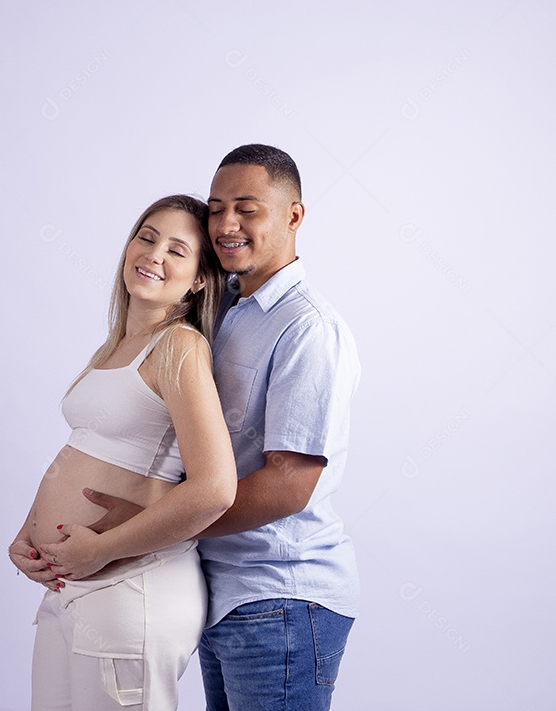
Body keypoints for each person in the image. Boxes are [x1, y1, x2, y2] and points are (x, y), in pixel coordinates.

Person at [82, 144, 362, 711]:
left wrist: (147, 526)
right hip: (220, 587)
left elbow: (289, 483)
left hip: (282, 593)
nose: (225, 225)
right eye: (215, 209)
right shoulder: (222, 305)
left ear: (294, 215)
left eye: (246, 208)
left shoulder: (309, 328)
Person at [8, 194, 237, 711]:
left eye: (178, 250)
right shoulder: (114, 349)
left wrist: (103, 549)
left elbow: (215, 489)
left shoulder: (179, 346)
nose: (154, 254)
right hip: (72, 587)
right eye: (148, 237)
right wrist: (30, 532)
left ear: (200, 278)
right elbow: (85, 447)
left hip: (131, 587)